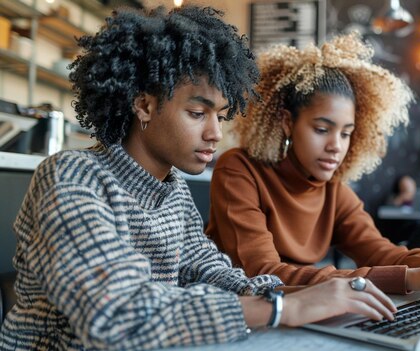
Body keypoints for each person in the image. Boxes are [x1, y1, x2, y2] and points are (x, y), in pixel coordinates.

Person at [0, 7, 398, 350]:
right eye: (197, 113)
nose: (214, 134)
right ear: (144, 104)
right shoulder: (72, 178)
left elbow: (217, 276)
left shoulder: (172, 193)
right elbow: (116, 315)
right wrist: (284, 308)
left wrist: (317, 294)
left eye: (221, 117)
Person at [206, 33, 420, 295]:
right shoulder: (238, 170)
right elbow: (264, 274)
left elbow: (381, 253)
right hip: (236, 316)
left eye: (346, 133)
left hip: (303, 312)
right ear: (287, 122)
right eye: (321, 129)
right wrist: (408, 279)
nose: (336, 146)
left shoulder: (334, 191)